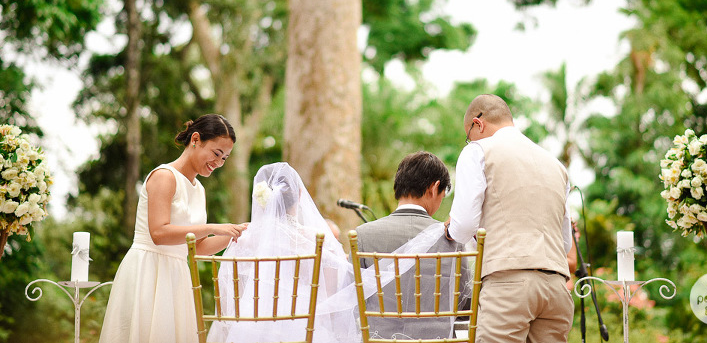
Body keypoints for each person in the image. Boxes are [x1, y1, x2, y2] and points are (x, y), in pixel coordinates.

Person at [99, 114, 248, 343]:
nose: (219, 163)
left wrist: (236, 234)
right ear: (195, 139)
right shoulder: (164, 176)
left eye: (225, 158)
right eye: (216, 153)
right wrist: (213, 227)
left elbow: (198, 248)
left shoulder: (199, 189)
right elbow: (159, 233)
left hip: (177, 276)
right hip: (149, 271)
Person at [445, 94, 574, 343]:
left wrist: (449, 230)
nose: (469, 141)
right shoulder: (557, 166)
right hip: (556, 288)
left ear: (478, 124)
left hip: (508, 284)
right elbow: (565, 242)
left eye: (468, 135)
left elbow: (464, 225)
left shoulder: (478, 151)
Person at [207, 162, 359, 343]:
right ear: (300, 194)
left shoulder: (244, 241)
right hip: (307, 331)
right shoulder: (320, 242)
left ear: (260, 198)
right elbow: (332, 302)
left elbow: (229, 303)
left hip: (251, 331)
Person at [354, 151, 472, 340]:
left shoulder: (362, 235)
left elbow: (352, 299)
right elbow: (464, 300)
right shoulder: (451, 238)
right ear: (435, 188)